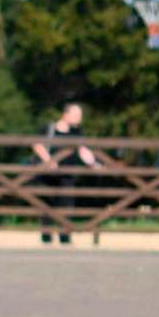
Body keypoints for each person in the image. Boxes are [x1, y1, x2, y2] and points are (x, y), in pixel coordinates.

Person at [33, 104, 100, 245]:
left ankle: (65, 237)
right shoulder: (49, 128)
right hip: (47, 174)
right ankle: (46, 238)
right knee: (46, 206)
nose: (79, 119)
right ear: (66, 114)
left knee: (66, 206)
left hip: (67, 175)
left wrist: (93, 163)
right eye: (77, 116)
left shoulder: (77, 132)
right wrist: (49, 162)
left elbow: (83, 150)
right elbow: (37, 145)